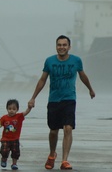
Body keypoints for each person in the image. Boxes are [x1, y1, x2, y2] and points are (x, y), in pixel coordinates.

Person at [28, 35, 95, 170]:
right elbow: (42, 80)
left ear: (69, 47)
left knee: (68, 128)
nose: (62, 47)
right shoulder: (49, 61)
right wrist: (33, 97)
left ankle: (65, 160)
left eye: (64, 45)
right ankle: (52, 154)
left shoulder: (76, 61)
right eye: (59, 45)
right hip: (53, 100)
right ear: (56, 46)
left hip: (69, 99)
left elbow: (82, 76)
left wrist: (90, 89)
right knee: (53, 131)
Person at [0, 99, 32, 170]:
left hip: (15, 139)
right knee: (4, 151)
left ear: (17, 109)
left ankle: (14, 163)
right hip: (5, 139)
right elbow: (0, 124)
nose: (11, 110)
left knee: (15, 152)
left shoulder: (19, 116)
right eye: (9, 109)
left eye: (14, 109)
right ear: (7, 109)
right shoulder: (4, 117)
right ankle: (4, 159)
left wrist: (29, 108)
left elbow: (26, 112)